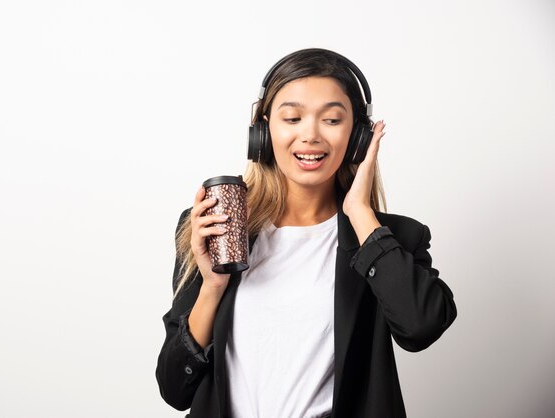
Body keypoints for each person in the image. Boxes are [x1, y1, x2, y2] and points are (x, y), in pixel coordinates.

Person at [156, 48, 457, 418]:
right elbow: (174, 389)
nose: (310, 135)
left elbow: (421, 327)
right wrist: (212, 286)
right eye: (293, 118)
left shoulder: (387, 239)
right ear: (263, 130)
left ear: (358, 136)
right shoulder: (220, 229)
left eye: (331, 120)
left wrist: (360, 214)